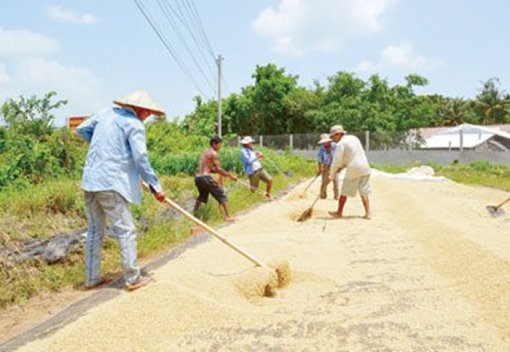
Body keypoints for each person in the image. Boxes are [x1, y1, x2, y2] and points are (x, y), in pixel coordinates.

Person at [76, 90, 166, 291]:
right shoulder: (134, 124)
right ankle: (133, 279)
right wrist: (156, 186)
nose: (148, 116)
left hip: (90, 181)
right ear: (140, 109)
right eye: (148, 112)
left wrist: (105, 147)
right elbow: (141, 159)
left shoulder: (104, 113)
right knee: (126, 230)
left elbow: (81, 130)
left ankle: (92, 279)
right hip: (111, 182)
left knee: (94, 231)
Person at [328, 125, 371, 220]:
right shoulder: (353, 138)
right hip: (365, 166)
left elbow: (336, 161)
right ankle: (368, 213)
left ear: (338, 134)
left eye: (333, 136)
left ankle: (339, 212)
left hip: (353, 168)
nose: (333, 139)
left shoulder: (340, 144)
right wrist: (342, 166)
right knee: (364, 191)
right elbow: (351, 155)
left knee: (344, 191)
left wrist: (331, 175)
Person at [194, 136, 238, 221]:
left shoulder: (205, 152)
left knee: (202, 196)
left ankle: (194, 214)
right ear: (214, 144)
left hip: (198, 178)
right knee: (222, 195)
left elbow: (210, 169)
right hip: (205, 178)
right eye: (219, 145)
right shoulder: (213, 153)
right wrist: (231, 176)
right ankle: (228, 217)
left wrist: (221, 173)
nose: (220, 147)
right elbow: (218, 169)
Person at [316, 133, 339, 200]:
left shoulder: (335, 146)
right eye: (324, 142)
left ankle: (336, 196)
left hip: (334, 165)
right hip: (326, 166)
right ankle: (323, 195)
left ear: (329, 141)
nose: (325, 143)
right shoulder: (322, 148)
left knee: (335, 182)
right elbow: (319, 159)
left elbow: (338, 156)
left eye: (326, 141)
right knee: (324, 182)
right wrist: (319, 169)